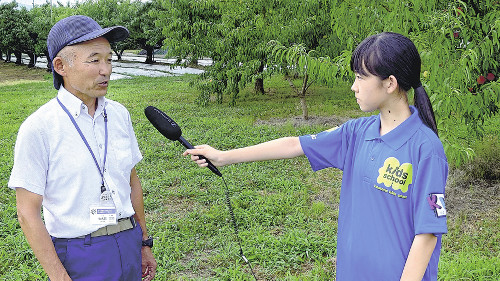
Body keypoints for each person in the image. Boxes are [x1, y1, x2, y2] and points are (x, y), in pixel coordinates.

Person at [184, 32, 448, 281]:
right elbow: (293, 145)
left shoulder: (426, 149)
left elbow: (427, 234)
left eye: (360, 77)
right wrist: (222, 157)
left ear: (390, 83)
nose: (354, 87)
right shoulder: (357, 133)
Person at [8, 15, 157, 281]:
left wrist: (144, 242)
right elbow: (27, 211)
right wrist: (59, 276)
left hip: (128, 240)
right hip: (79, 252)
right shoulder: (40, 128)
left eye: (109, 59)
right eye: (94, 60)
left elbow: (132, 181)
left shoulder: (119, 115)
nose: (106, 70)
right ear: (60, 66)